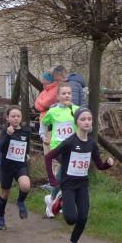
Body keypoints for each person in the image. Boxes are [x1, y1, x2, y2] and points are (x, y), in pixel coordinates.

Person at [44, 108, 114, 243]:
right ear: (76, 122)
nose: (87, 122)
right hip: (68, 185)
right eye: (83, 119)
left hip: (82, 185)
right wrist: (52, 180)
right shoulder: (70, 142)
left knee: (83, 217)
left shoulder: (92, 143)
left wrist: (107, 165)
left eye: (89, 119)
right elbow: (48, 157)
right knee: (71, 219)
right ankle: (61, 199)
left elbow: (99, 165)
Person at [41, 81, 79, 218]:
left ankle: (54, 199)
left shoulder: (76, 110)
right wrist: (43, 135)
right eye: (64, 93)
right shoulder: (53, 111)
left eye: (69, 93)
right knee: (67, 170)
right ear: (58, 96)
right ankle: (60, 201)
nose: (67, 95)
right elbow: (43, 123)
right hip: (57, 147)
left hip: (73, 147)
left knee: (66, 173)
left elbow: (84, 123)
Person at [0, 106, 31, 230]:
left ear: (21, 118)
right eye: (13, 116)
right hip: (7, 166)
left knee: (25, 185)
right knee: (5, 194)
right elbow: (1, 148)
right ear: (8, 118)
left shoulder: (26, 131)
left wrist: (27, 154)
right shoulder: (5, 130)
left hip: (20, 165)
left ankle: (20, 201)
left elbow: (27, 145)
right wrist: (8, 135)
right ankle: (1, 217)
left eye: (18, 116)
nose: (16, 118)